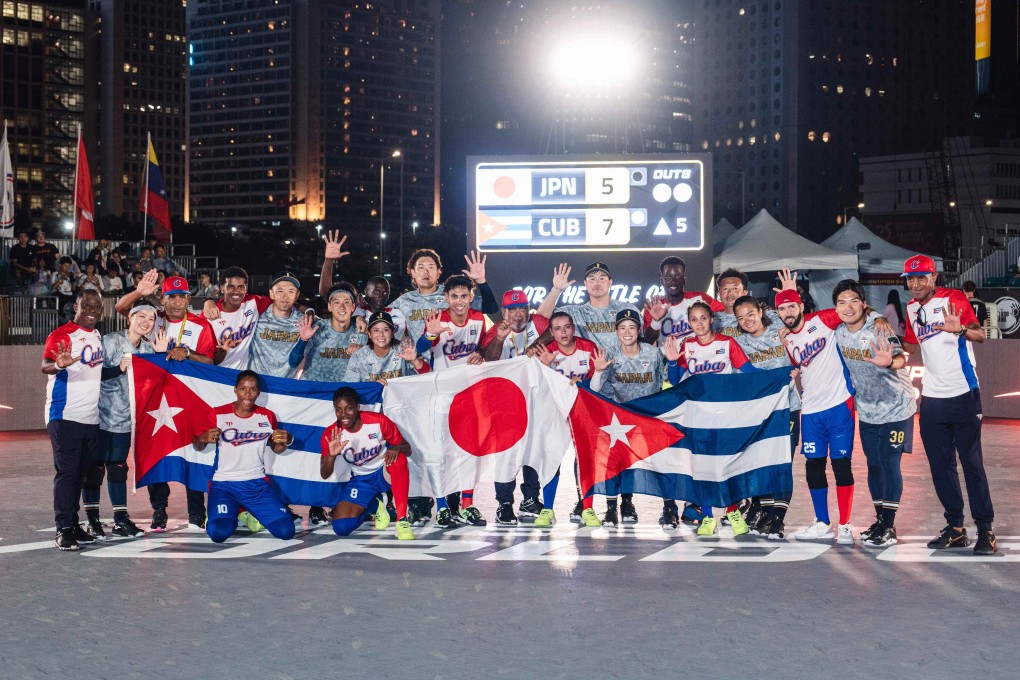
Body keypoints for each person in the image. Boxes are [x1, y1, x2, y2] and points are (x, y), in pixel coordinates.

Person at [900, 255, 996, 555]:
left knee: (972, 464)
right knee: (941, 467)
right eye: (910, 279)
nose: (915, 284)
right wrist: (879, 332)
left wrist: (960, 330)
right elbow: (911, 346)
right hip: (931, 398)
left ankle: (985, 530)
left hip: (964, 393)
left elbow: (981, 335)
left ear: (933, 278)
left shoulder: (953, 298)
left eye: (921, 278)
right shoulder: (912, 308)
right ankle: (955, 528)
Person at [116, 270, 217, 530]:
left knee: (193, 452)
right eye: (171, 297)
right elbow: (121, 308)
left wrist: (188, 352)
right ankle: (159, 509)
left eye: (182, 297)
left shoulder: (200, 326)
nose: (176, 302)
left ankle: (197, 512)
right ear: (163, 299)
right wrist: (139, 292)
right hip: (153, 399)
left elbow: (210, 361)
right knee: (155, 453)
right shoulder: (150, 318)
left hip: (190, 399)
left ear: (188, 300)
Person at [831, 280, 916, 547]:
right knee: (873, 465)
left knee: (889, 463)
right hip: (867, 410)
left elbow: (902, 357)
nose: (848, 307)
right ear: (836, 307)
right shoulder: (838, 333)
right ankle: (880, 521)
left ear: (864, 304)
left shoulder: (879, 328)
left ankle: (889, 527)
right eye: (842, 302)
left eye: (854, 301)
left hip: (897, 406)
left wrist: (891, 361)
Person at [664, 301, 757, 536]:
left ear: (711, 319)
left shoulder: (727, 343)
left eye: (703, 318)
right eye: (694, 319)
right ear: (689, 323)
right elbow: (675, 381)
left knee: (728, 465)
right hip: (698, 417)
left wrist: (780, 376)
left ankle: (733, 510)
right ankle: (707, 516)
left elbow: (749, 374)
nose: (699, 323)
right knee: (702, 468)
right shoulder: (688, 345)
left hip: (726, 418)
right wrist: (673, 361)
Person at [776, 282, 859, 545]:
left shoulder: (822, 319)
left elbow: (853, 310)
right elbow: (797, 367)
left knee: (841, 465)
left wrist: (878, 320)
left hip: (839, 405)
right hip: (811, 410)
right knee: (814, 466)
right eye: (782, 308)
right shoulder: (786, 339)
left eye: (792, 306)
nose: (788, 312)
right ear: (777, 313)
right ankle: (823, 523)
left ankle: (845, 525)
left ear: (801, 305)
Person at [480, 274, 561, 526]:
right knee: (507, 455)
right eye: (512, 309)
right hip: (506, 405)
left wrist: (535, 344)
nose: (518, 314)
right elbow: (490, 359)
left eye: (522, 308)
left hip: (537, 402)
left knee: (534, 453)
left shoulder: (536, 323)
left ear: (529, 310)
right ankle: (504, 504)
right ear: (504, 313)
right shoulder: (495, 331)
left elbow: (553, 330)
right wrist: (500, 339)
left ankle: (530, 499)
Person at [82, 301, 166, 540]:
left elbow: (160, 382)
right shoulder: (110, 341)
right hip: (100, 417)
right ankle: (93, 521)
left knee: (118, 469)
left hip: (126, 420)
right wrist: (117, 368)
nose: (146, 322)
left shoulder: (149, 349)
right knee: (95, 469)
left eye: (151, 319)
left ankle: (120, 520)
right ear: (129, 318)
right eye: (141, 316)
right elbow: (91, 374)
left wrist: (161, 357)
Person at [414, 275, 489, 528]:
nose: (459, 301)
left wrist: (481, 351)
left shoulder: (478, 319)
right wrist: (431, 336)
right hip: (441, 397)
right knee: (440, 453)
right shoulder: (438, 320)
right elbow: (421, 347)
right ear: (446, 298)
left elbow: (487, 343)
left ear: (471, 297)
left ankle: (467, 505)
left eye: (463, 296)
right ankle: (443, 507)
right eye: (454, 296)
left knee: (470, 452)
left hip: (470, 396)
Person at [194, 371, 298, 543]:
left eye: (253, 389)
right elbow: (197, 445)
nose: (248, 395)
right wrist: (203, 438)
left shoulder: (267, 416)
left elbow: (276, 448)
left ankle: (243, 511)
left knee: (286, 531)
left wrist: (288, 440)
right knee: (218, 533)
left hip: (256, 484)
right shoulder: (218, 414)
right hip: (224, 484)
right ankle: (225, 513)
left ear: (258, 392)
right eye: (243, 389)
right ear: (235, 390)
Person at [591, 309, 668, 527]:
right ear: (616, 331)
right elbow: (595, 389)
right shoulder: (610, 354)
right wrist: (597, 371)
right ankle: (613, 508)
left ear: (639, 330)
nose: (627, 332)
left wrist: (671, 362)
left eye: (632, 327)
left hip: (647, 416)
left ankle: (669, 508)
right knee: (615, 464)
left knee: (661, 463)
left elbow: (668, 383)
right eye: (622, 327)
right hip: (618, 419)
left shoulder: (653, 354)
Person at [42, 288, 105, 551]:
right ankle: (63, 529)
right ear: (76, 307)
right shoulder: (62, 334)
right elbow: (45, 365)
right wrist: (59, 364)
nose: (91, 310)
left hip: (91, 418)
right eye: (86, 305)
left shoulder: (98, 335)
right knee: (68, 474)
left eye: (96, 306)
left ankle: (74, 523)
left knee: (80, 474)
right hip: (65, 415)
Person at [733, 295, 801, 539]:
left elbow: (800, 325)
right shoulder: (737, 343)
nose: (747, 320)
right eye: (741, 317)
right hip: (759, 413)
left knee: (782, 463)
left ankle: (777, 519)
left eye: (750, 314)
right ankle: (764, 510)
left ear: (761, 312)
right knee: (760, 464)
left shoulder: (780, 331)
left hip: (787, 408)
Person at [535, 311, 603, 528]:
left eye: (566, 327)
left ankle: (588, 507)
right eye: (557, 328)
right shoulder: (547, 352)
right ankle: (548, 509)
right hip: (555, 413)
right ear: (551, 332)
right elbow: (538, 391)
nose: (563, 333)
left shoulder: (588, 347)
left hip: (582, 411)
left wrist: (598, 373)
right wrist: (544, 368)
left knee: (585, 459)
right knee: (552, 459)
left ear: (573, 328)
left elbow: (595, 389)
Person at [320, 386, 415, 541]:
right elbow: (324, 474)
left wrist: (396, 448)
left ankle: (402, 520)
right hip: (361, 479)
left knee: (399, 459)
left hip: (384, 472)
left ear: (358, 407)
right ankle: (376, 505)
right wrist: (331, 455)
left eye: (348, 408)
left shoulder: (378, 421)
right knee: (341, 528)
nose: (343, 414)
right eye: (338, 410)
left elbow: (408, 449)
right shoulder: (332, 434)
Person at [542, 261, 640, 350]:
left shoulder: (627, 309)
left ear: (610, 282)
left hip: (622, 368)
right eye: (592, 279)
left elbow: (642, 343)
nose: (597, 283)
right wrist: (556, 289)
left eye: (602, 278)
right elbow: (542, 316)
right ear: (585, 283)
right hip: (588, 368)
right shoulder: (575, 312)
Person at [201, 266, 273, 370]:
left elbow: (282, 303)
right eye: (230, 287)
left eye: (240, 287)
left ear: (246, 288)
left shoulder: (253, 303)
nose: (236, 291)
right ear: (222, 288)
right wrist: (208, 301)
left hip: (242, 377)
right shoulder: (209, 314)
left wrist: (305, 310)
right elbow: (207, 360)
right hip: (216, 375)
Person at [643, 256, 724, 347]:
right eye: (668, 277)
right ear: (662, 281)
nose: (673, 281)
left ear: (684, 280)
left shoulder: (700, 298)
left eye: (678, 276)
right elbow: (647, 342)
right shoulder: (654, 307)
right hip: (668, 359)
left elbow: (726, 312)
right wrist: (656, 321)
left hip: (699, 358)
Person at [343, 311, 430, 383]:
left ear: (392, 333)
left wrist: (414, 360)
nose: (381, 334)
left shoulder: (403, 349)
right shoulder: (359, 356)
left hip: (399, 402)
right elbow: (349, 389)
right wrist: (374, 386)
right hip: (370, 403)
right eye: (376, 330)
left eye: (386, 330)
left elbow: (429, 377)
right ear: (369, 334)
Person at [247, 271, 304, 379]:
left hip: (285, 388)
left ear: (297, 295)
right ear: (271, 293)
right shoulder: (256, 316)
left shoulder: (305, 321)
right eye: (280, 291)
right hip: (256, 387)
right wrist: (210, 303)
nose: (285, 296)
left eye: (290, 291)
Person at [713, 268, 780, 337]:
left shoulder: (765, 316)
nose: (730, 293)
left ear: (745, 292)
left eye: (735, 288)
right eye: (725, 289)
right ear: (719, 294)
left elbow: (789, 325)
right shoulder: (711, 321)